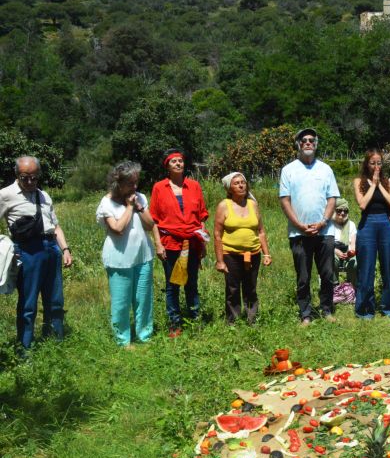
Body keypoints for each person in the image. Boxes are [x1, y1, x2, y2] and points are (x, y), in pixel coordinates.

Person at [0, 156, 72, 351]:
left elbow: (55, 226)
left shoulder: (44, 195)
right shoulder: (5, 195)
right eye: (25, 178)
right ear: (17, 175)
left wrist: (65, 249)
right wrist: (5, 249)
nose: (30, 182)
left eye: (34, 178)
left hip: (51, 250)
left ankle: (54, 343)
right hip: (27, 252)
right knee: (28, 304)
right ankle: (25, 350)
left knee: (55, 300)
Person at [279, 127, 339, 324]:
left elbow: (332, 199)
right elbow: (285, 201)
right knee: (303, 277)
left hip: (325, 231)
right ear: (298, 144)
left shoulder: (326, 169)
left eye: (311, 140)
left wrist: (323, 222)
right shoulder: (288, 170)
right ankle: (306, 314)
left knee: (328, 275)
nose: (308, 143)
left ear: (316, 144)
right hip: (299, 233)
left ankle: (327, 310)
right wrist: (299, 225)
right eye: (304, 140)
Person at [149, 149, 209, 337]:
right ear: (167, 166)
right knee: (172, 284)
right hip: (170, 242)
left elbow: (201, 217)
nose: (178, 164)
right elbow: (154, 220)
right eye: (173, 161)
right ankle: (175, 323)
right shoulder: (159, 188)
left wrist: (203, 242)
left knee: (191, 283)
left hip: (192, 241)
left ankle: (194, 319)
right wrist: (158, 245)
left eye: (180, 161)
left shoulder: (194, 186)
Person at [95, 161, 155, 347]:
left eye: (136, 182)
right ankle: (123, 341)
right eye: (130, 183)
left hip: (143, 256)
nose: (135, 187)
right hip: (119, 260)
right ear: (118, 184)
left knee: (143, 300)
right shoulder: (107, 203)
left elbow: (150, 225)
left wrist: (139, 206)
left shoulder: (140, 198)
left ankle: (144, 336)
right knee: (121, 304)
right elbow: (118, 228)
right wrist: (129, 208)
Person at [213, 172, 272, 324]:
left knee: (251, 287)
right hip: (231, 254)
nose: (241, 185)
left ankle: (252, 319)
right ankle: (232, 321)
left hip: (253, 253)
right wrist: (220, 261)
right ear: (229, 189)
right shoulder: (223, 206)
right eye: (236, 183)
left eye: (243, 182)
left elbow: (261, 231)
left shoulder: (252, 204)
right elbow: (217, 235)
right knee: (232, 288)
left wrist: (266, 254)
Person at [353, 149, 390, 320]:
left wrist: (379, 183)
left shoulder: (388, 182)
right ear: (367, 164)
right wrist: (373, 184)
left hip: (386, 224)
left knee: (388, 268)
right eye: (372, 163)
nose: (376, 166)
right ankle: (365, 310)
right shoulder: (359, 181)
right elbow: (362, 204)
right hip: (368, 224)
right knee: (366, 269)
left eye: (379, 163)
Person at [329, 197, 357, 285]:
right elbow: (327, 244)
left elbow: (353, 243)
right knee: (331, 259)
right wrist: (336, 251)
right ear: (334, 211)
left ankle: (352, 285)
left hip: (347, 251)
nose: (342, 213)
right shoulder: (329, 225)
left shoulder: (351, 225)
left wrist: (350, 252)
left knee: (355, 263)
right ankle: (334, 285)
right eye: (339, 210)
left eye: (345, 211)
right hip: (333, 250)